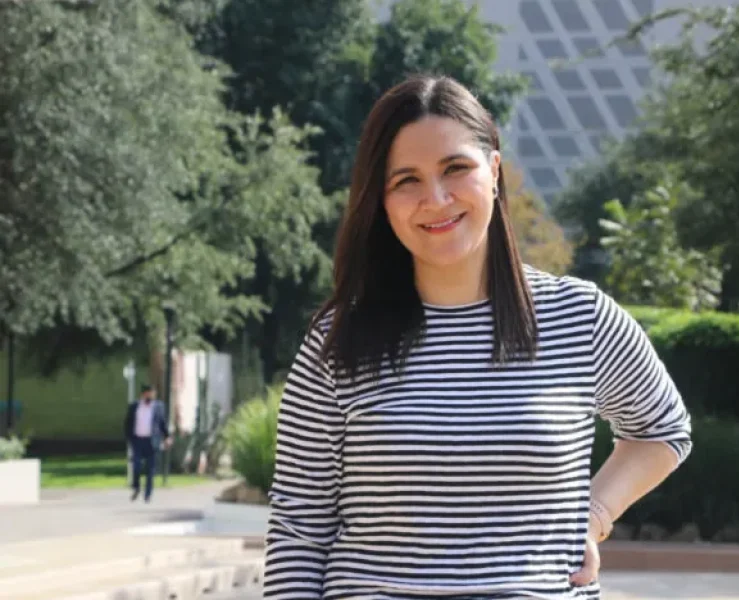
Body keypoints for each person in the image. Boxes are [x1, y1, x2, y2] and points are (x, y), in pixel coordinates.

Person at [264, 75, 692, 599]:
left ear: (493, 171)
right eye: (407, 181)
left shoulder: (580, 317)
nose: (436, 199)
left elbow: (664, 430)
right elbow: (298, 530)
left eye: (455, 169)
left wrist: (595, 514)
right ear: (382, 200)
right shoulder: (337, 339)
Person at [124, 384, 172, 502]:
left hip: (152, 441)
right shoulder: (134, 406)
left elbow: (162, 423)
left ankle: (148, 494)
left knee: (150, 469)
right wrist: (129, 438)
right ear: (143, 394)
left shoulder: (158, 407)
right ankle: (136, 487)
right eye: (149, 393)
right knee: (136, 466)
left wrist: (167, 437)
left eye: (153, 393)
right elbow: (128, 423)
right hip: (138, 440)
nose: (151, 396)